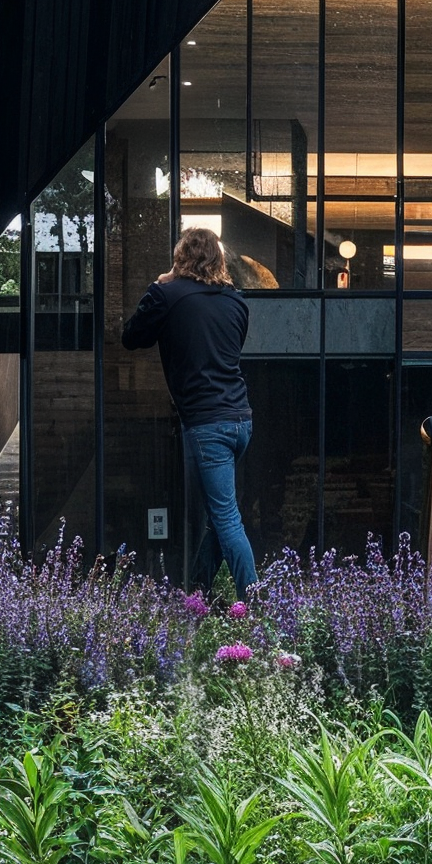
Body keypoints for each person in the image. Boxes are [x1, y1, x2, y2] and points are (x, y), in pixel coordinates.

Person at [119, 225, 261, 595]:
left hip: (207, 424)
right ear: (218, 258)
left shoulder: (168, 294)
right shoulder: (236, 301)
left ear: (181, 255)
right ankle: (197, 595)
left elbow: (132, 337)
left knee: (227, 519)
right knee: (219, 519)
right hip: (241, 421)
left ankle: (259, 606)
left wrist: (157, 286)